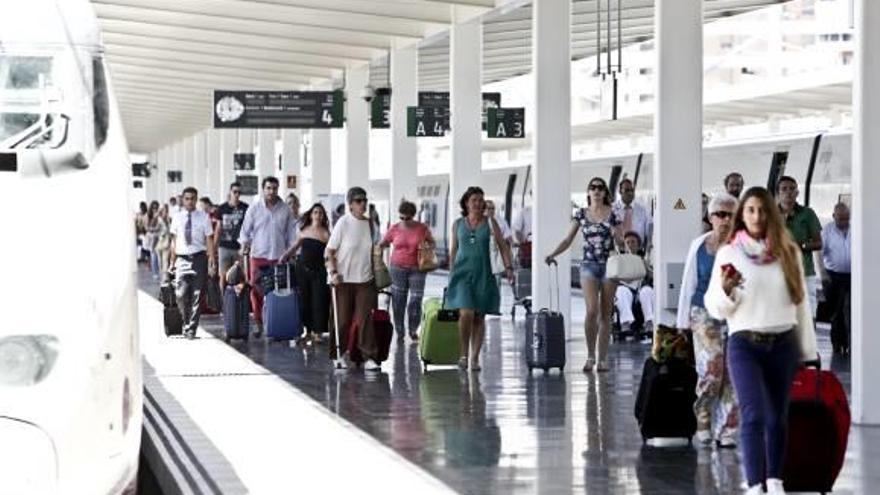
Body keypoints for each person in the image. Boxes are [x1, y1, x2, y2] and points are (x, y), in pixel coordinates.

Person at [705, 186, 817, 495]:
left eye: (762, 210)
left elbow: (801, 303)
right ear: (743, 213)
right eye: (751, 210)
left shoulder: (788, 251)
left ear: (771, 213)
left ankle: (775, 481)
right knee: (752, 413)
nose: (757, 216)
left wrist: (809, 352)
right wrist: (727, 291)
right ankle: (755, 484)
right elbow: (714, 305)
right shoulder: (730, 253)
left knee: (777, 417)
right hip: (745, 344)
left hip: (783, 344)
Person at [676, 193, 740, 448]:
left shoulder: (742, 247)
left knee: (732, 374)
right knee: (712, 370)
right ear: (710, 218)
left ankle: (726, 430)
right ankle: (702, 415)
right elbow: (687, 284)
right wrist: (682, 321)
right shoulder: (699, 245)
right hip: (703, 313)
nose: (725, 219)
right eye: (720, 214)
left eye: (730, 215)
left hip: (735, 315)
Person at [546, 177, 622, 373]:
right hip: (588, 266)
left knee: (606, 313)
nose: (596, 191)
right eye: (593, 188)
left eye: (600, 188)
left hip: (609, 267)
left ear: (605, 193)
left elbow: (621, 241)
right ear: (588, 193)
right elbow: (567, 239)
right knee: (591, 310)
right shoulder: (581, 214)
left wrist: (619, 237)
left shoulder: (613, 214)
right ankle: (590, 355)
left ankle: (602, 358)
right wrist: (553, 254)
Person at [446, 187, 514, 372]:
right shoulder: (457, 224)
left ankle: (474, 358)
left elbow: (503, 247)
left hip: (484, 274)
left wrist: (508, 268)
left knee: (479, 317)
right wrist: (451, 272)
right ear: (466, 203)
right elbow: (454, 249)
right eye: (474, 199)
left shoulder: (491, 223)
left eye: (480, 200)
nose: (478, 203)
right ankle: (463, 354)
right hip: (462, 275)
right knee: (466, 313)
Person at [325, 187, 382, 371]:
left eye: (364, 200)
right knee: (342, 321)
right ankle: (338, 354)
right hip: (343, 280)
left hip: (365, 280)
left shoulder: (372, 225)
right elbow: (329, 251)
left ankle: (369, 357)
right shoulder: (343, 223)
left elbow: (376, 251)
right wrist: (333, 272)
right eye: (358, 201)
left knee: (365, 320)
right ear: (350, 205)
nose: (362, 204)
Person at [238, 177, 298, 338]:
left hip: (279, 257)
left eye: (274, 188)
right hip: (258, 256)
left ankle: (275, 322)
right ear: (263, 189)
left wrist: (291, 253)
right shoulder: (254, 208)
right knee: (256, 290)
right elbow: (245, 231)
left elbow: (291, 234)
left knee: (278, 291)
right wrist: (245, 243)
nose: (271, 191)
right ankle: (258, 322)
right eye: (268, 188)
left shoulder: (285, 210)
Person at [379, 200, 435, 342]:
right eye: (401, 218)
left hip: (418, 268)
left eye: (407, 218)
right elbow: (383, 243)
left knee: (416, 299)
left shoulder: (422, 228)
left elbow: (432, 242)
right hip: (397, 268)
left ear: (413, 216)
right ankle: (399, 330)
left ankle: (413, 329)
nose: (404, 221)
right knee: (398, 301)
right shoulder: (394, 229)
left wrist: (427, 247)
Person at [168, 187, 217, 339]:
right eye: (187, 198)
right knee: (180, 294)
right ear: (183, 200)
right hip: (182, 259)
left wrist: (211, 260)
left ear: (196, 200)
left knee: (197, 295)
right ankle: (186, 320)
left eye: (193, 198)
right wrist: (172, 261)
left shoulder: (204, 217)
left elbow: (209, 239)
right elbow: (174, 241)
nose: (190, 201)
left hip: (199, 258)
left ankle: (191, 328)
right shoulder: (177, 217)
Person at [281, 203, 331, 346]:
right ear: (311, 215)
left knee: (319, 301)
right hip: (302, 270)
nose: (318, 215)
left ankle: (318, 332)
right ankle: (307, 331)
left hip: (319, 271)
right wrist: (284, 256)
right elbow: (294, 247)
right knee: (304, 301)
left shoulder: (326, 233)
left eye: (321, 213)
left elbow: (332, 252)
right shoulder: (304, 230)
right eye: (315, 212)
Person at [777, 176, 822, 317]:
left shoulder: (807, 214)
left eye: (792, 189)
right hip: (778, 272)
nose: (788, 192)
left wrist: (801, 245)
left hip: (805, 272)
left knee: (808, 314)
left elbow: (819, 243)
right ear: (778, 193)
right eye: (784, 189)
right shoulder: (770, 214)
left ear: (797, 193)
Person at [821, 202, 851, 355]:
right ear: (834, 217)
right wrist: (823, 274)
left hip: (853, 276)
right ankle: (837, 344)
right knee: (837, 312)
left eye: (847, 219)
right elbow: (819, 253)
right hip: (834, 275)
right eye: (840, 219)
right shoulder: (827, 231)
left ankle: (850, 343)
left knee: (851, 310)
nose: (844, 222)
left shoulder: (856, 228)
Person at [613, 231, 655, 337]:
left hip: (641, 289)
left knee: (647, 291)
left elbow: (653, 277)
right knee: (621, 291)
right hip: (627, 289)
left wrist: (646, 267)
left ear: (638, 245)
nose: (631, 245)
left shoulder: (644, 260)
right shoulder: (620, 260)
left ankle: (649, 323)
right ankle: (626, 324)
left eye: (633, 242)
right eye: (628, 242)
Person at [215, 182, 249, 288]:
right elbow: (218, 228)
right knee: (223, 275)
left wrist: (248, 245)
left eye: (239, 192)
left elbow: (248, 228)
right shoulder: (222, 208)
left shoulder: (245, 208)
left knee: (240, 275)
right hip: (224, 246)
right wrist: (214, 248)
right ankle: (223, 300)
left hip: (239, 247)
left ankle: (238, 300)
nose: (237, 194)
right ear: (230, 192)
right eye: (235, 192)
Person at [613, 179, 652, 248]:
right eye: (627, 190)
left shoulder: (643, 210)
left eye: (632, 190)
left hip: (638, 252)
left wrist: (649, 242)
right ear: (620, 191)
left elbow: (649, 230)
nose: (630, 193)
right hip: (617, 252)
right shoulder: (612, 210)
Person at [484, 200, 514, 288]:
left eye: (492, 208)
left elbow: (508, 237)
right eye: (488, 208)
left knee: (496, 282)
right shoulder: (479, 221)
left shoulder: (500, 221)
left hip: (496, 257)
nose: (491, 210)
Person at [154, 204, 172, 277]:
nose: (165, 211)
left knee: (165, 260)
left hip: (167, 242)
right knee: (160, 261)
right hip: (158, 242)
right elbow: (152, 228)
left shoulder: (169, 219)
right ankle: (162, 275)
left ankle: (165, 276)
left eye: (166, 209)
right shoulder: (157, 219)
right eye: (163, 209)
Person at [145, 201, 161, 280]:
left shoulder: (160, 215)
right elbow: (148, 228)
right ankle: (155, 273)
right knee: (154, 256)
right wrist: (154, 218)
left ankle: (160, 272)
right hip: (152, 238)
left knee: (160, 256)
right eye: (153, 207)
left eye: (156, 207)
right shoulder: (148, 216)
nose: (155, 209)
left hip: (160, 237)